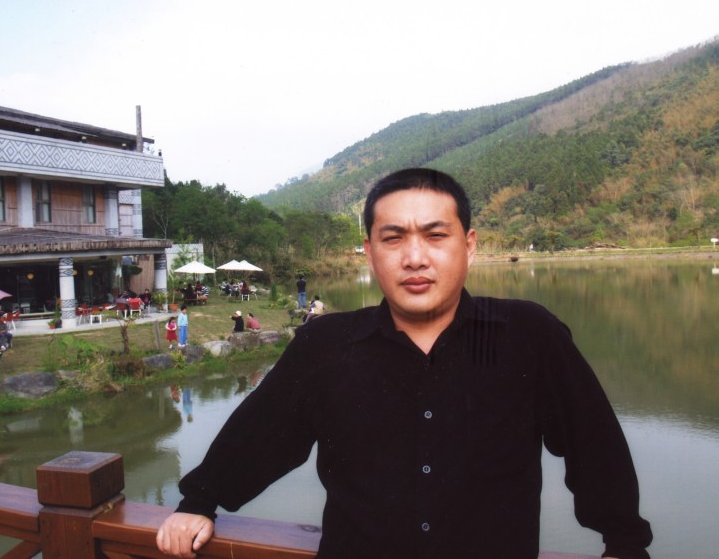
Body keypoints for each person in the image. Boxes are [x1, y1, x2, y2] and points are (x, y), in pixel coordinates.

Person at [156, 168, 652, 559]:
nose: (415, 258)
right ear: (370, 253)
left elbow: (593, 443)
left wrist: (624, 543)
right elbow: (262, 435)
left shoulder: (528, 335)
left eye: (435, 236)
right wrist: (199, 503)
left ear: (469, 245)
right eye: (393, 239)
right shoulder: (326, 344)